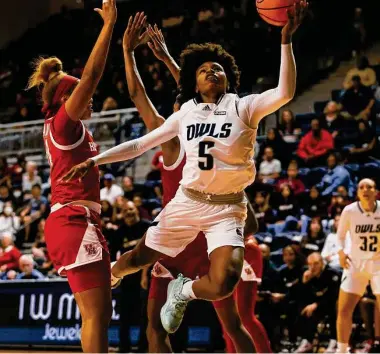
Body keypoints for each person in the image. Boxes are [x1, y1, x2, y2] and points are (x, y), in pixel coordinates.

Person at [63, 1, 306, 338]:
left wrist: (286, 40)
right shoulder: (186, 112)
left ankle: (183, 291)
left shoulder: (243, 106)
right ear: (193, 81)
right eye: (204, 68)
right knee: (138, 258)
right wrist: (94, 160)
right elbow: (139, 144)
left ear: (228, 79)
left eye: (218, 68)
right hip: (187, 202)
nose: (212, 71)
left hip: (227, 207)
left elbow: (285, 92)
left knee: (223, 283)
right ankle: (115, 272)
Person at [120, 16, 270, 353]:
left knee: (156, 330)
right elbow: (199, 96)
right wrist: (167, 59)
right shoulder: (208, 134)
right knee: (233, 326)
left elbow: (139, 94)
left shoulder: (174, 143)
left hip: (178, 238)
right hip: (207, 238)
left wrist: (129, 53)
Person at [26, 1, 117, 352]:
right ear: (67, 97)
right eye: (82, 93)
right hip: (72, 220)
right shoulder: (64, 122)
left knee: (96, 315)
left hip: (74, 220)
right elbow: (92, 76)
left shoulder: (62, 126)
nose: (90, 97)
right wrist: (108, 26)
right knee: (96, 315)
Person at [336, 179, 380, 353]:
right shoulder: (350, 210)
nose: (365, 190)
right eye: (361, 187)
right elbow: (340, 236)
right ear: (357, 193)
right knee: (344, 308)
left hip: (378, 264)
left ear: (376, 191)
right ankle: (341, 350)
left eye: (369, 186)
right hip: (355, 264)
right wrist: (340, 252)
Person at [294, 252, 340, 353]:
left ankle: (334, 341)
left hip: (331, 304)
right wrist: (304, 282)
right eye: (310, 264)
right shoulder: (308, 274)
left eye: (316, 264)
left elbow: (333, 296)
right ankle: (307, 341)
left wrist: (316, 304)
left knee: (335, 308)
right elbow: (301, 295)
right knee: (300, 307)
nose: (312, 267)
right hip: (317, 305)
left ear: (322, 263)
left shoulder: (332, 274)